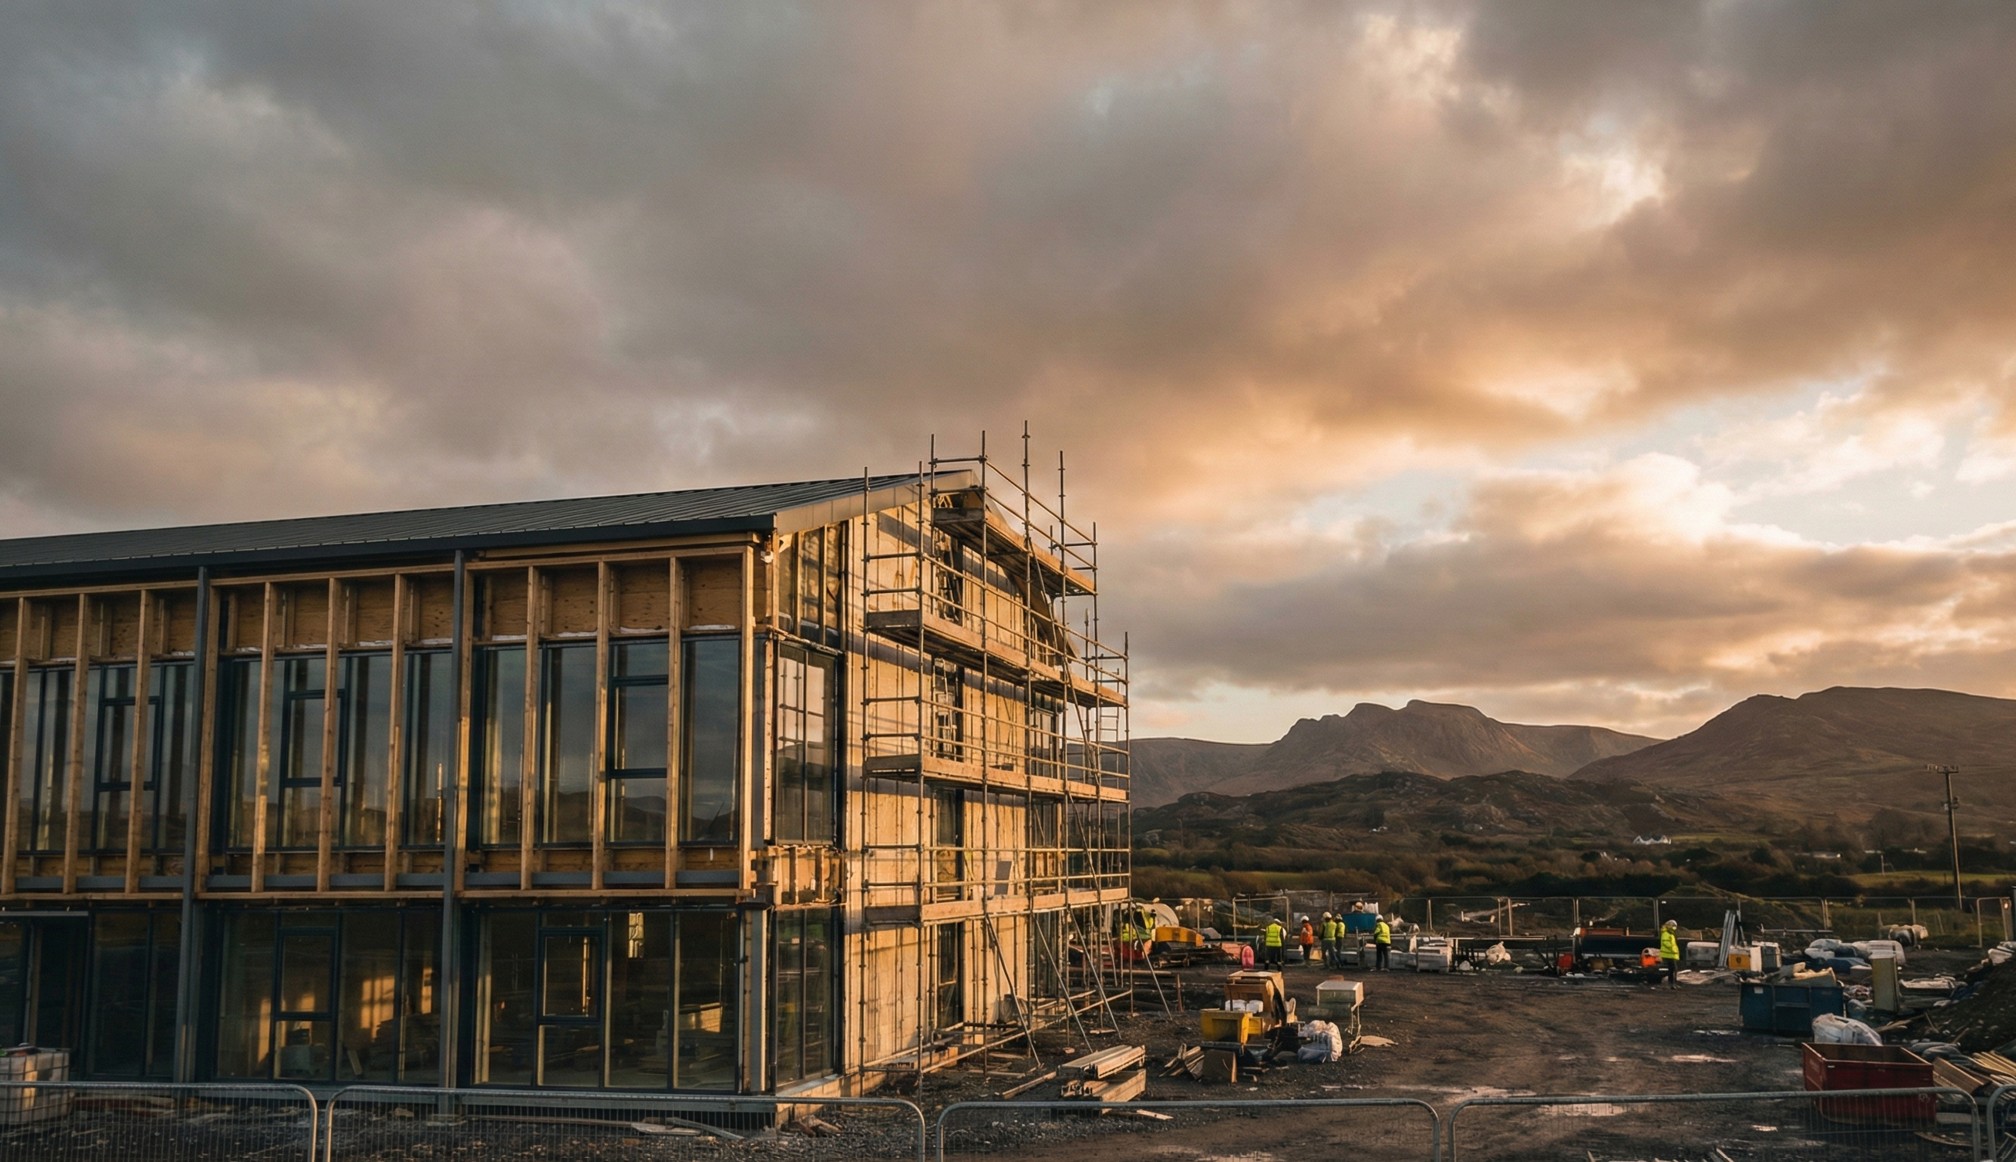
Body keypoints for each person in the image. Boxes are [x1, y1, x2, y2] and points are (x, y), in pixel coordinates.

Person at [1659, 919, 1681, 988]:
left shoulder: (1670, 933)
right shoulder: (1666, 933)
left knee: (1673, 969)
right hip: (1669, 954)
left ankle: (1673, 983)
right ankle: (1671, 984)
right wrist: (1673, 949)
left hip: (1671, 954)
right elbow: (1666, 943)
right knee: (1673, 969)